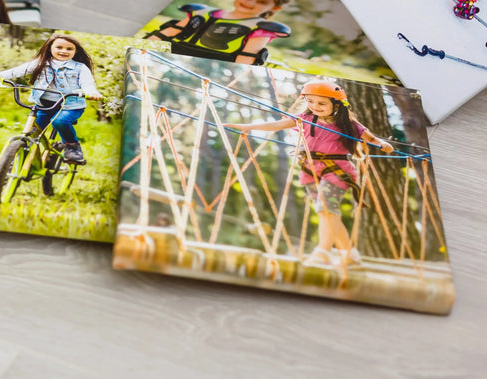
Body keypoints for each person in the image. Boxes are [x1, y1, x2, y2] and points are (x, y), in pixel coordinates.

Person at [222, 80, 394, 268]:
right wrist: (249, 127)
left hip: (337, 169)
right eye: (311, 101)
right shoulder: (304, 118)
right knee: (327, 214)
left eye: (321, 103)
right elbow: (277, 125)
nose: (315, 107)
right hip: (310, 170)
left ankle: (323, 252)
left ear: (336, 105)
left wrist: (382, 144)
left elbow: (369, 136)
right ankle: (349, 253)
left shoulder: (348, 124)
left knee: (326, 209)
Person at [0, 34, 103, 164]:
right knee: (33, 132)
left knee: (60, 122)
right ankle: (12, 162)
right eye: (59, 47)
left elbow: (88, 84)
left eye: (69, 49)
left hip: (71, 105)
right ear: (50, 48)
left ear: (75, 51)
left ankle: (72, 146)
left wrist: (91, 92)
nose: (64, 51)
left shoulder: (80, 68)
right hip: (44, 105)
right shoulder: (41, 62)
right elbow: (18, 71)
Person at [145, 0, 292, 65]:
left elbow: (246, 58)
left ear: (274, 8)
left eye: (261, 1)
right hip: (171, 56)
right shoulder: (201, 11)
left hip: (210, 66)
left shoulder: (261, 28)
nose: (251, 2)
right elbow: (170, 31)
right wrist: (141, 46)